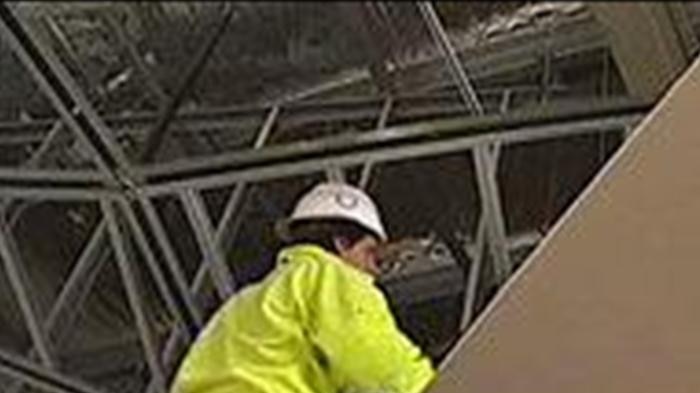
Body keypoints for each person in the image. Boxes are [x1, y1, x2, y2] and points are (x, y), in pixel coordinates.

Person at [171, 182, 437, 393]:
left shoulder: (246, 303)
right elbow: (374, 357)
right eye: (370, 253)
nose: (373, 271)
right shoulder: (331, 276)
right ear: (342, 243)